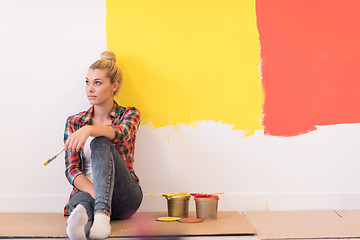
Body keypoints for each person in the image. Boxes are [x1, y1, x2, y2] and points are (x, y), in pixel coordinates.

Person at [63, 51, 143, 239]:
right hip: (89, 191)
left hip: (124, 197)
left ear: (114, 85)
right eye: (87, 82)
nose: (90, 88)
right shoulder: (74, 122)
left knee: (100, 142)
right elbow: (72, 170)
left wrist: (90, 130)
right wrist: (95, 192)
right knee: (81, 204)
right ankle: (80, 228)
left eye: (97, 83)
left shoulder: (130, 114)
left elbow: (122, 132)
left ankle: (101, 217)